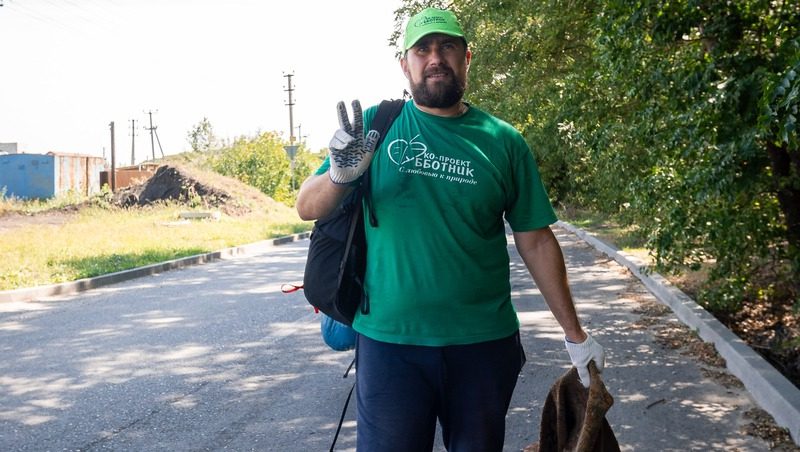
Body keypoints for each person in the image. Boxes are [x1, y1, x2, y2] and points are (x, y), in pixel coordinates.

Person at [296, 7, 605, 452]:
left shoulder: (503, 141)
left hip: (482, 347)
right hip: (389, 344)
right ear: (405, 63)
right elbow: (307, 206)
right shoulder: (373, 130)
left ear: (467, 58)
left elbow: (535, 240)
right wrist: (340, 175)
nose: (435, 57)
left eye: (448, 46)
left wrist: (575, 335)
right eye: (422, 49)